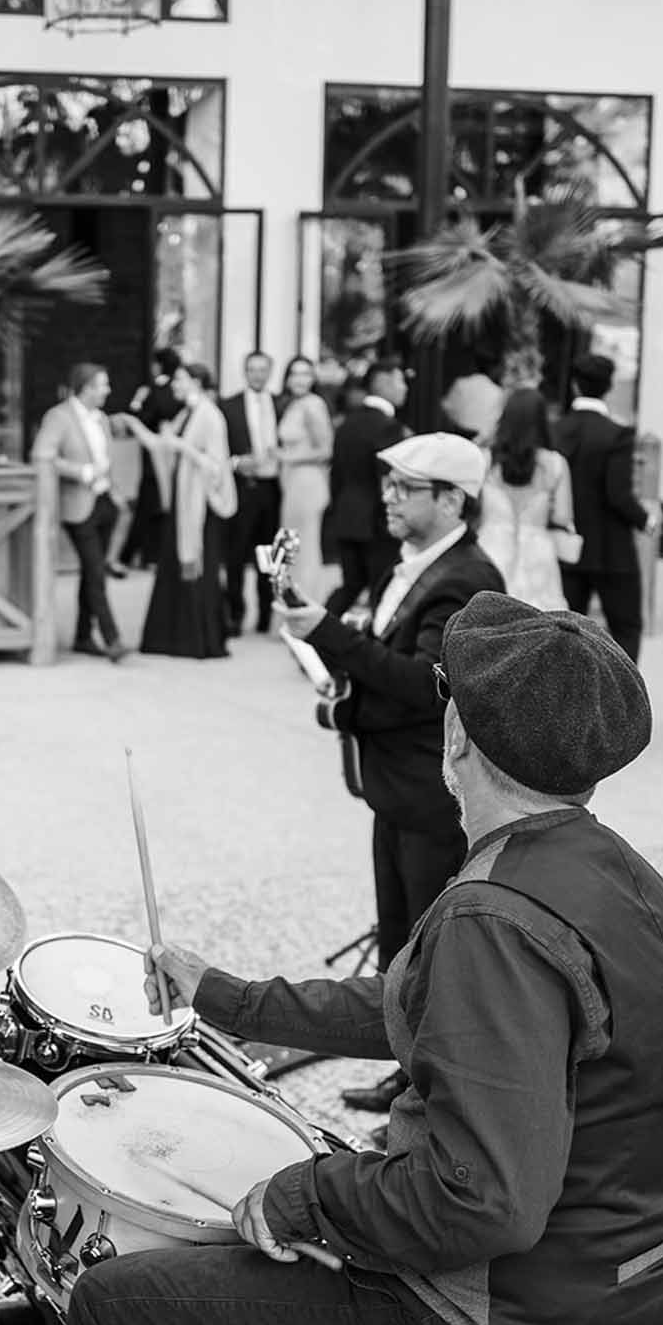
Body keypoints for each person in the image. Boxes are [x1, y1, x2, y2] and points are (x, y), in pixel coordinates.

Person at [34, 595, 663, 1325]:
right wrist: (230, 995)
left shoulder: (495, 914)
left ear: (453, 736)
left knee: (116, 1309)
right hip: (639, 1311)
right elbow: (428, 1006)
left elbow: (480, 1198)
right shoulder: (607, 871)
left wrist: (306, 1194)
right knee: (354, 1208)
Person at [281, 433, 504, 1124]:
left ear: (451, 499)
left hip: (429, 791)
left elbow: (423, 685)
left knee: (429, 942)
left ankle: (428, 1085)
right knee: (397, 934)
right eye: (388, 484)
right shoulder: (406, 565)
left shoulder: (469, 577)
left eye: (404, 488)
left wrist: (326, 634)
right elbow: (382, 656)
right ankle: (404, 1066)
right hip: (391, 785)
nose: (387, 497)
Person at [127, 361, 237, 661]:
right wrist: (131, 422)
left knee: (200, 568)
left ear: (197, 382)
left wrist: (182, 447)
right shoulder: (187, 413)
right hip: (183, 500)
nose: (174, 384)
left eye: (180, 379)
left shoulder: (210, 416)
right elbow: (160, 445)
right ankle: (173, 639)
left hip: (199, 505)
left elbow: (216, 465)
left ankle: (200, 640)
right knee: (176, 566)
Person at [555, 353, 660, 662]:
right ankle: (624, 703)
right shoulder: (617, 434)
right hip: (611, 550)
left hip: (566, 549)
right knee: (625, 628)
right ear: (608, 387)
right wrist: (647, 520)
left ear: (575, 386)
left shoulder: (556, 430)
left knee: (563, 634)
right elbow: (619, 495)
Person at [32, 363, 128, 662]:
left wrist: (114, 492)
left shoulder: (100, 419)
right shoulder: (59, 417)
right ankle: (113, 638)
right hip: (77, 505)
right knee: (96, 570)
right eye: (103, 385)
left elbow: (107, 458)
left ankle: (83, 636)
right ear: (86, 388)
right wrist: (82, 472)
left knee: (91, 572)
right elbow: (42, 455)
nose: (108, 390)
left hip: (103, 502)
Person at [477, 387, 577, 609]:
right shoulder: (554, 464)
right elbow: (563, 515)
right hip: (538, 553)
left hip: (491, 547)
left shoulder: (485, 460)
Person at [324, 356, 408, 619]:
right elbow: (387, 481)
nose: (405, 387)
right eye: (401, 380)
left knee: (351, 586)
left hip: (346, 518)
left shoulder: (346, 424)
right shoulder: (388, 427)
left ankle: (313, 636)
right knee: (380, 591)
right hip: (376, 524)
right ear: (383, 383)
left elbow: (336, 476)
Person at [218, 350, 282, 636]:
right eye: (252, 369)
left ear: (269, 372)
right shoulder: (228, 406)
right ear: (245, 372)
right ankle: (235, 613)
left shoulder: (282, 404)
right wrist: (235, 463)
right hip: (243, 488)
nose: (257, 374)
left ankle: (265, 615)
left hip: (272, 488)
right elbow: (219, 451)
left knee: (268, 557)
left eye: (262, 369)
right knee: (236, 554)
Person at [273, 355, 334, 598]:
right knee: (291, 547)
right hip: (293, 482)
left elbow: (325, 450)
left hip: (306, 482)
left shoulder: (313, 405)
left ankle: (303, 606)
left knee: (301, 548)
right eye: (294, 373)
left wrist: (286, 457)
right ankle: (291, 606)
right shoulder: (293, 404)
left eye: (305, 373)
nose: (299, 379)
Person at [119, 347, 182, 569]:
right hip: (174, 457)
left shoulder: (153, 391)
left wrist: (136, 402)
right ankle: (151, 557)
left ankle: (127, 556)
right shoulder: (179, 390)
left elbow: (141, 419)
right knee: (162, 507)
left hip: (154, 456)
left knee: (146, 508)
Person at [441, 352, 505, 444]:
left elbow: (446, 409)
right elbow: (496, 424)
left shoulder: (460, 384)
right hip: (481, 443)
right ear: (494, 368)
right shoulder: (497, 392)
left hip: (458, 440)